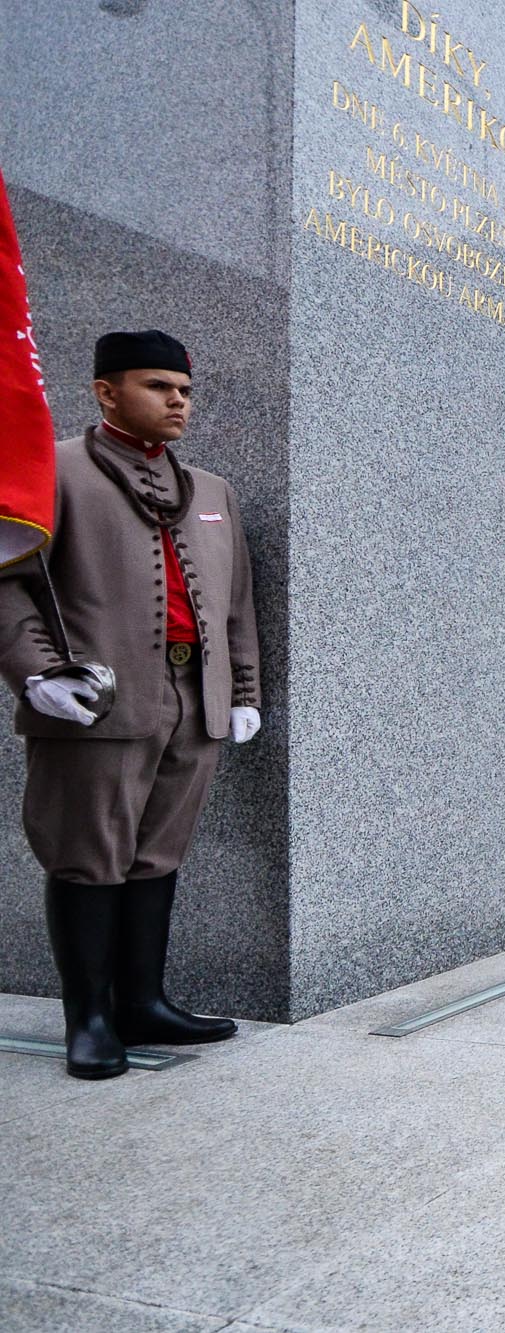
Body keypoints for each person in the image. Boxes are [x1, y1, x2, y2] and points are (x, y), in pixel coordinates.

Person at [0, 331, 259, 1079]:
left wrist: (241, 691)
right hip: (97, 700)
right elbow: (7, 581)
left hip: (193, 700)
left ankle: (144, 1001)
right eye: (157, 386)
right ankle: (87, 1019)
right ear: (106, 391)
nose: (177, 400)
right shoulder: (51, 469)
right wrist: (35, 673)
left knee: (157, 853)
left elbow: (236, 602)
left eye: (184, 389)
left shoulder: (211, 490)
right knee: (89, 856)